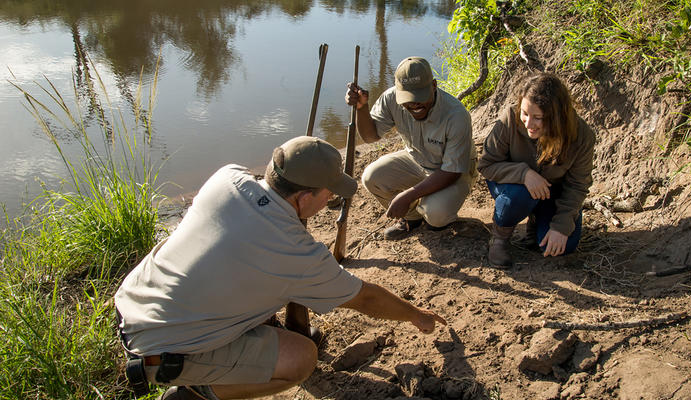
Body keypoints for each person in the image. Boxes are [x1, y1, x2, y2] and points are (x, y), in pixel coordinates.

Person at [114, 136, 446, 400]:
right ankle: (195, 394)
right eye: (329, 193)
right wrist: (416, 315)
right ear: (303, 198)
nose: (332, 199)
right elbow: (367, 299)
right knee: (300, 358)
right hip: (160, 350)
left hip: (133, 302)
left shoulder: (226, 178)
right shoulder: (296, 253)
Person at [345, 56, 477, 240]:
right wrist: (361, 107)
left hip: (454, 171)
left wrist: (408, 195)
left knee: (436, 215)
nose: (414, 105)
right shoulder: (391, 98)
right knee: (371, 177)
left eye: (420, 98)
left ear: (434, 85)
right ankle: (413, 219)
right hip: (417, 159)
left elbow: (452, 170)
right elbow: (370, 136)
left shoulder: (456, 115)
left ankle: (431, 213)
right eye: (408, 99)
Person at [477, 73, 595, 268]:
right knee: (518, 197)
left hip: (551, 192)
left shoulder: (581, 136)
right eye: (525, 113)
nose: (528, 124)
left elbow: (577, 186)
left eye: (538, 117)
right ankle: (499, 239)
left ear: (557, 116)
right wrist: (524, 174)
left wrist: (561, 227)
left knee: (563, 247)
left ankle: (537, 219)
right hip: (511, 185)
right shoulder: (509, 119)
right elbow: (487, 165)